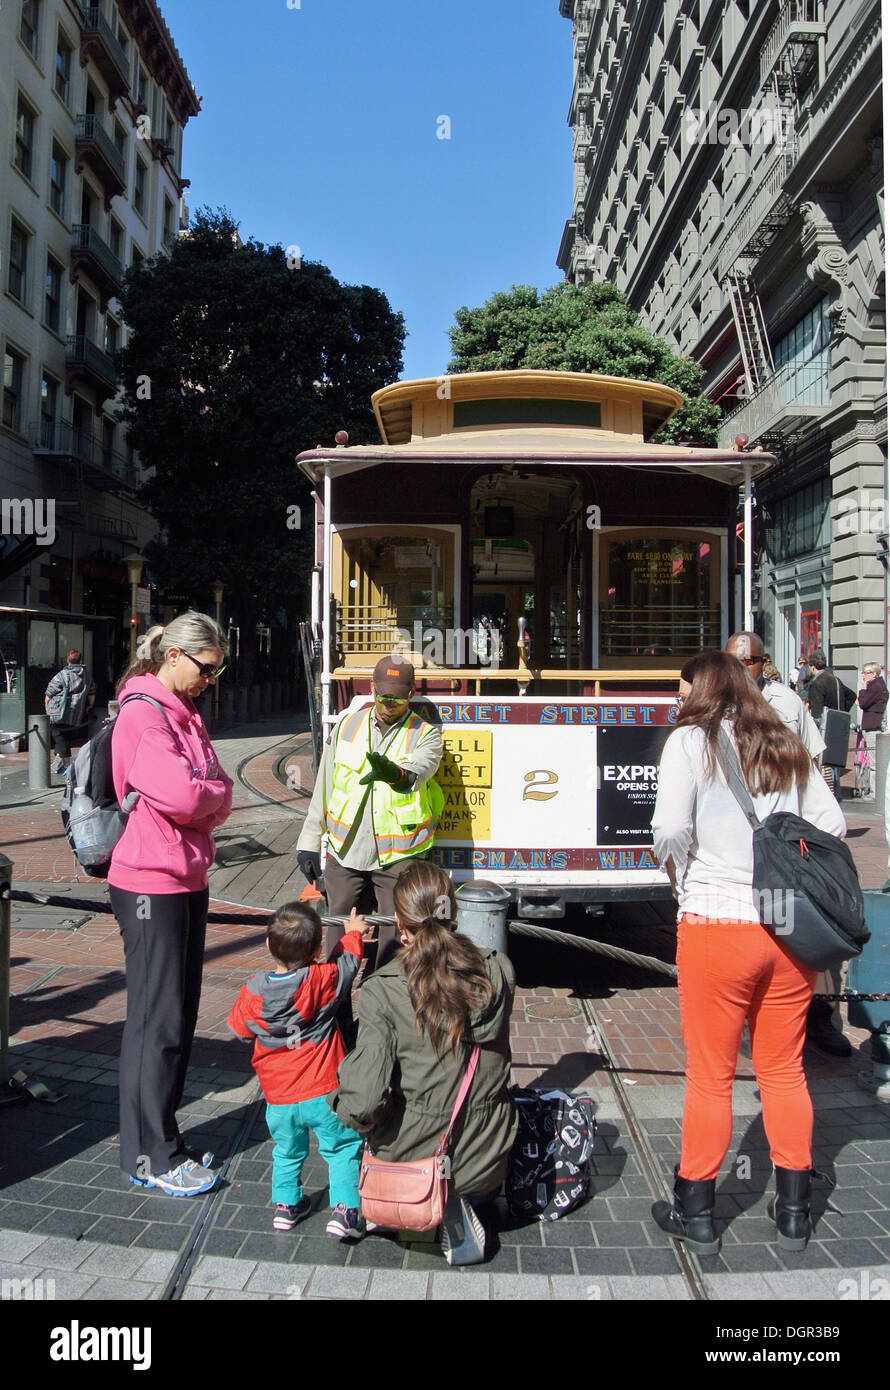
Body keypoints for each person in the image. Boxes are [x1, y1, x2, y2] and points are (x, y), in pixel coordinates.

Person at [650, 651, 846, 1254]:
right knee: (784, 1070)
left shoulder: (690, 743)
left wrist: (685, 875)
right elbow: (832, 824)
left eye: (685, 688)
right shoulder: (784, 742)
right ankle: (793, 1213)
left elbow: (668, 827)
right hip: (788, 929)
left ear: (703, 690)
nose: (679, 699)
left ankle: (698, 1212)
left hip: (716, 922)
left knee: (710, 1075)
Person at [332, 861, 517, 1265]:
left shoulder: (385, 989)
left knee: (351, 1109)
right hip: (492, 1154)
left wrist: (345, 1107)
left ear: (400, 927)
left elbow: (362, 1102)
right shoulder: (499, 971)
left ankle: (422, 1200)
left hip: (416, 1158)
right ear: (455, 912)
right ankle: (457, 1194)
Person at [110, 611, 233, 1197]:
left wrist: (206, 797)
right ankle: (151, 1155)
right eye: (207, 668)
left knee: (177, 1018)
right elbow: (189, 794)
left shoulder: (186, 715)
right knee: (156, 1022)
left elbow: (219, 789)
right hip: (147, 883)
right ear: (176, 655)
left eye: (217, 670)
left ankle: (163, 1141)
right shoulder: (143, 713)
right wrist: (206, 796)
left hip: (185, 877)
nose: (211, 679)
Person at [227, 901, 376, 1238]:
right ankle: (345, 1212)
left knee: (287, 1150)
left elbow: (239, 1029)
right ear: (318, 948)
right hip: (324, 1092)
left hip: (278, 1097)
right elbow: (347, 964)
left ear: (267, 945)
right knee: (341, 1148)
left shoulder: (252, 991)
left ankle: (286, 1205)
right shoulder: (321, 979)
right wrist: (353, 935)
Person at [296, 654, 444, 929]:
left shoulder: (426, 735)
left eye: (399, 698)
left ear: (411, 694)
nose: (390, 704)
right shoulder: (345, 726)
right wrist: (309, 842)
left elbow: (420, 770)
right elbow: (324, 787)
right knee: (337, 927)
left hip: (399, 856)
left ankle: (383, 973)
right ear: (372, 689)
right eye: (384, 696)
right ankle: (339, 973)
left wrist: (397, 775)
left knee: (394, 931)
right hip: (347, 850)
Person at [724, 632, 824, 759]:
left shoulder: (788, 700)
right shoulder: (714, 703)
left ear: (763, 662)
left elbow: (812, 754)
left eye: (746, 661)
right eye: (730, 661)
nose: (737, 667)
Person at [45, 649, 96, 773]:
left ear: (68, 659)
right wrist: (90, 705)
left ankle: (62, 760)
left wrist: (47, 708)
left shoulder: (62, 675)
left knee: (58, 735)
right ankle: (62, 761)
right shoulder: (86, 675)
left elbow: (49, 693)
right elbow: (92, 692)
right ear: (80, 660)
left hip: (59, 712)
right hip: (76, 714)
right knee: (65, 736)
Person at [857, 663, 888, 797]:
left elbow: (862, 703)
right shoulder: (877, 686)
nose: (863, 675)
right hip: (871, 726)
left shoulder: (875, 687)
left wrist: (863, 689)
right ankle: (876, 791)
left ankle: (876, 792)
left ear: (874, 673)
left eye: (866, 672)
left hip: (873, 727)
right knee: (873, 760)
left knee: (874, 762)